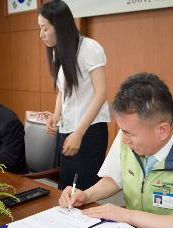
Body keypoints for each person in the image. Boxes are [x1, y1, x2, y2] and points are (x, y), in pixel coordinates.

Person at [59, 72, 173, 228]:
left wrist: (126, 215)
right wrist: (85, 195)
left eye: (128, 134)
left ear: (162, 131)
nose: (123, 139)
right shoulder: (128, 133)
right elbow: (114, 179)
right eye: (122, 130)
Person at [38, 0, 110, 190]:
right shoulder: (58, 52)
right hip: (68, 130)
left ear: (59, 26)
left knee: (83, 192)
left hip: (89, 131)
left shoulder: (90, 48)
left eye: (45, 29)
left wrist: (79, 132)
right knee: (66, 189)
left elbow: (101, 94)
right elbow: (63, 90)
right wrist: (56, 115)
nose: (41, 35)